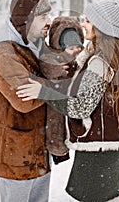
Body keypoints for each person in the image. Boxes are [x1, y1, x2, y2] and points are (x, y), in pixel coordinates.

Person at [16, 0, 119, 202]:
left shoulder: (100, 61)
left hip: (98, 150)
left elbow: (81, 107)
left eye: (89, 21)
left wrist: (44, 91)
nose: (83, 24)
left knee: (96, 197)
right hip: (113, 143)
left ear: (101, 27)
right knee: (111, 197)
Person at [0, 0, 52, 202]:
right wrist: (56, 86)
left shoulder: (37, 45)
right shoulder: (5, 53)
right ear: (26, 21)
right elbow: (25, 98)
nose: (48, 22)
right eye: (43, 17)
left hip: (39, 152)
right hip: (14, 156)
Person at [39, 16, 84, 165]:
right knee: (56, 124)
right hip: (56, 103)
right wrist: (58, 68)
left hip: (72, 103)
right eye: (71, 48)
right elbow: (46, 66)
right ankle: (58, 149)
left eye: (78, 47)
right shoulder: (52, 57)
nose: (75, 51)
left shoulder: (78, 58)